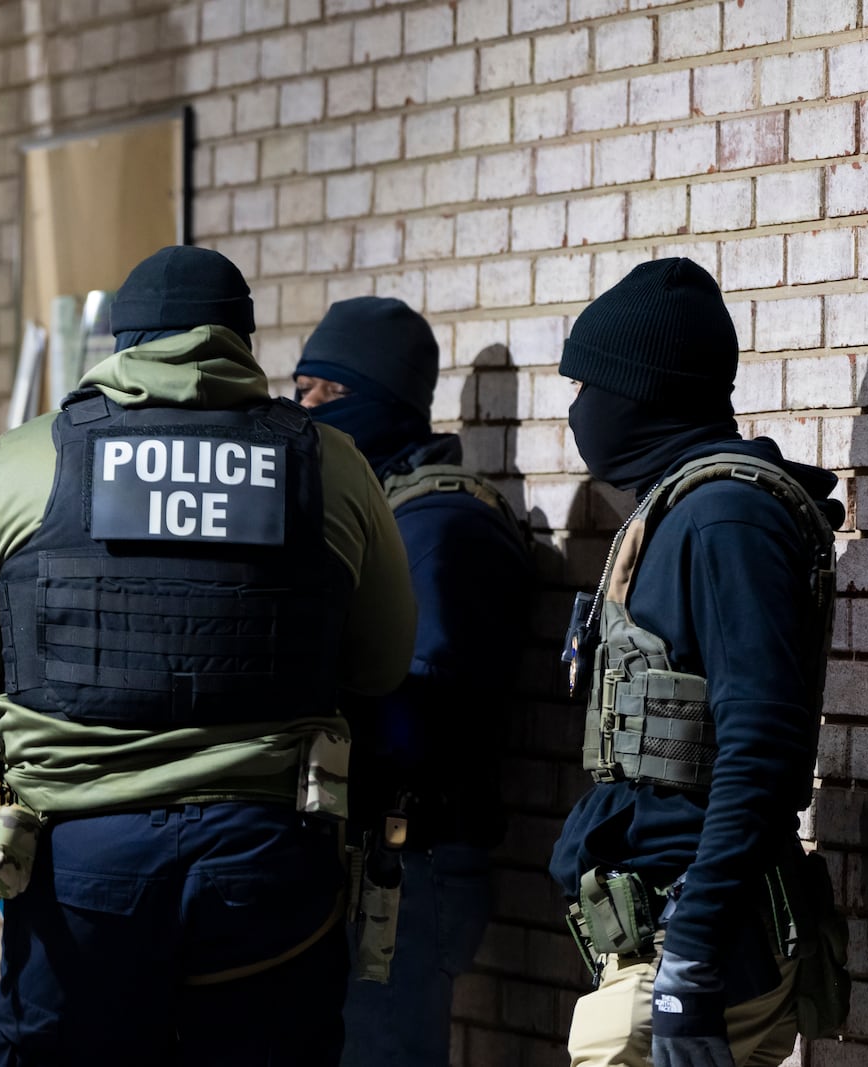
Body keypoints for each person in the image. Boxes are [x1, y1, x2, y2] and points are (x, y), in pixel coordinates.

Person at [0, 245, 418, 1066]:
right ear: (241, 338)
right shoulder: (332, 466)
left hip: (76, 862)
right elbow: (382, 662)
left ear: (120, 340)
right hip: (269, 859)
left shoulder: (21, 462)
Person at [550, 258, 848, 1067]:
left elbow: (760, 744)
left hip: (697, 946)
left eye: (586, 386)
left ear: (642, 390)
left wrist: (692, 956)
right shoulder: (681, 509)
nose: (576, 410)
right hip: (665, 943)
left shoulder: (725, 519)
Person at [292, 297, 534, 1066]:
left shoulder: (443, 527)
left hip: (409, 865)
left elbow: (419, 719)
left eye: (324, 395)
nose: (304, 411)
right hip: (368, 858)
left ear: (382, 402)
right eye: (300, 390)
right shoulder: (378, 509)